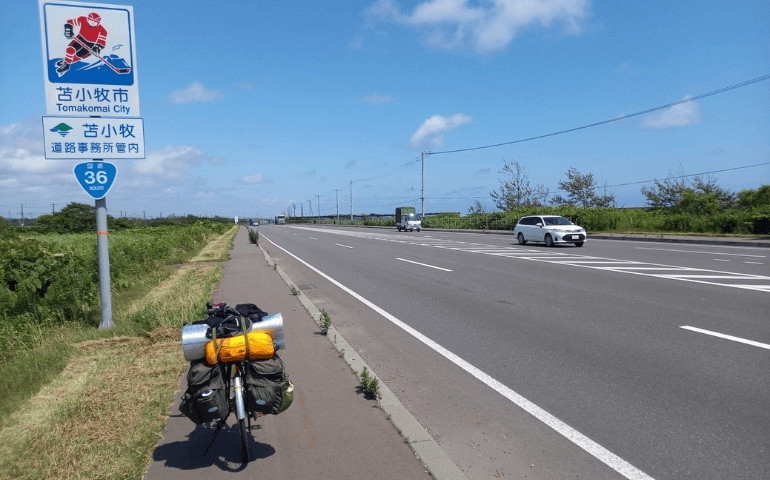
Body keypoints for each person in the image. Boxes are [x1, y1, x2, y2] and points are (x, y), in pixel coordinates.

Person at [56, 12, 108, 76]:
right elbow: (70, 22)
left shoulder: (102, 30)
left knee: (78, 56)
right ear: (88, 19)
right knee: (70, 49)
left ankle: (66, 61)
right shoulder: (82, 19)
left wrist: (97, 48)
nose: (92, 22)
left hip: (90, 44)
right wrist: (68, 29)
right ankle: (67, 65)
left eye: (95, 22)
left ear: (98, 22)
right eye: (91, 20)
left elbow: (101, 41)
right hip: (80, 38)